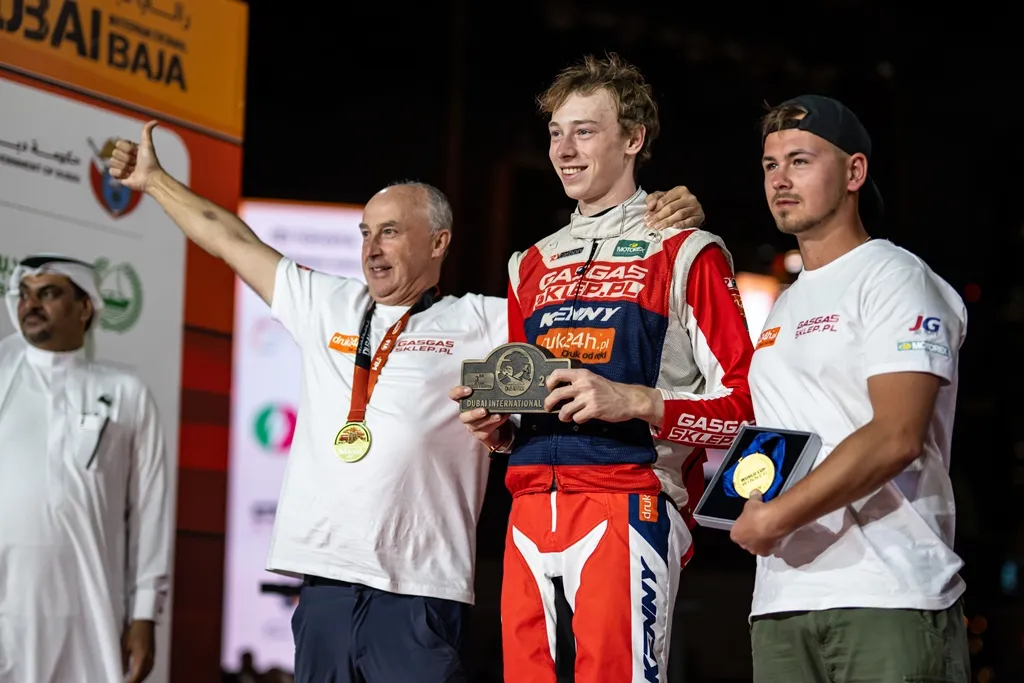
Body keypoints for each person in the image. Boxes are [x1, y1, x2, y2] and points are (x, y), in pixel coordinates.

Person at [107, 121, 706, 683]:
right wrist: (155, 182)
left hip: (421, 590)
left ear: (439, 241)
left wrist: (659, 222)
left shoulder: (483, 320)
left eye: (390, 231)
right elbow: (228, 238)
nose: (372, 247)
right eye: (366, 232)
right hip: (324, 585)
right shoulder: (327, 305)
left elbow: (595, 313)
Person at [452, 53, 755, 682]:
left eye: (585, 131)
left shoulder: (686, 250)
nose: (564, 150)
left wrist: (636, 401)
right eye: (555, 133)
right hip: (528, 508)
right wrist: (500, 428)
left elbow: (748, 408)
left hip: (630, 499)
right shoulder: (529, 264)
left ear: (634, 139)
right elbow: (529, 396)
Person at [730, 94, 970, 682]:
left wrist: (775, 517)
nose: (780, 179)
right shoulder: (784, 305)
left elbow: (896, 436)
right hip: (782, 601)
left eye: (801, 161)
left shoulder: (895, 278)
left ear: (854, 172)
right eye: (770, 165)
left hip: (888, 593)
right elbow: (780, 441)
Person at [0, 254, 171, 683]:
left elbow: (150, 511)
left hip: (89, 610)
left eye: (48, 293)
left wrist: (145, 614)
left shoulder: (127, 393)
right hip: (7, 608)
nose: (30, 305)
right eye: (24, 294)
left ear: (84, 307)